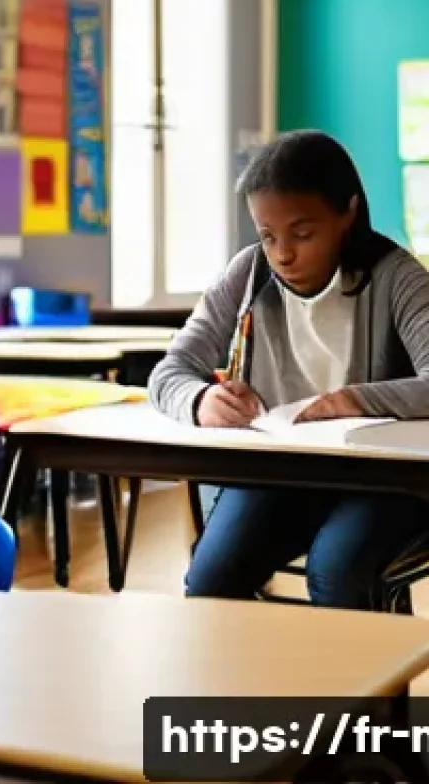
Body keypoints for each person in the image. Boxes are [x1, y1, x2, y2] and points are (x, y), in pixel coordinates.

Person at [148, 129, 429, 611]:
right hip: (285, 474)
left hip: (388, 481)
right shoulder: (249, 272)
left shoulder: (397, 277)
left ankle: (359, 687)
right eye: (267, 235)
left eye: (302, 233)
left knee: (337, 569)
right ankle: (254, 685)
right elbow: (171, 370)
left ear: (348, 214)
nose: (283, 253)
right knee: (211, 577)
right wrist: (199, 400)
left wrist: (356, 399)